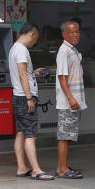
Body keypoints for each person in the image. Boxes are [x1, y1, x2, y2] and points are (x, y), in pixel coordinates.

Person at [9, 23, 53, 180]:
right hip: (24, 97)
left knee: (21, 133)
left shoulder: (14, 48)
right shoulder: (21, 50)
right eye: (36, 38)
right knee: (30, 134)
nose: (35, 42)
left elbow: (24, 73)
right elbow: (21, 75)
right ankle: (36, 170)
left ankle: (22, 167)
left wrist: (32, 73)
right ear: (32, 34)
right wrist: (29, 97)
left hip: (18, 95)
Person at [56, 20, 86, 179]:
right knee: (65, 137)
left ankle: (63, 166)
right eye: (72, 32)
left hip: (73, 101)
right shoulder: (64, 51)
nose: (76, 34)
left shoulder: (72, 50)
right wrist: (71, 98)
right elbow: (62, 78)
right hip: (68, 102)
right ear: (64, 34)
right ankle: (62, 169)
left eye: (78, 31)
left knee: (68, 136)